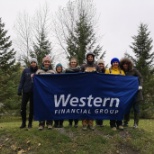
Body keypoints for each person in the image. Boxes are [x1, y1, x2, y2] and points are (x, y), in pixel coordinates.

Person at [120, 58, 143, 128]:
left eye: (126, 64)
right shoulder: (122, 72)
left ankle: (136, 124)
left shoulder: (134, 70)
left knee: (136, 109)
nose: (125, 65)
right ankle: (126, 122)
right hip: (127, 94)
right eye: (124, 64)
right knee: (126, 109)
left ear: (129, 64)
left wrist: (140, 85)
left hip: (136, 93)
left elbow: (140, 77)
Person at [81, 52, 100, 130]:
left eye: (91, 57)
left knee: (92, 106)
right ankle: (84, 123)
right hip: (84, 88)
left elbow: (101, 76)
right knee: (84, 106)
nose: (90, 58)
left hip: (93, 89)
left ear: (93, 58)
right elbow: (79, 75)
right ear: (87, 58)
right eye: (88, 57)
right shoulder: (83, 66)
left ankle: (91, 123)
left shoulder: (97, 66)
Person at [18, 58, 38, 128]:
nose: (33, 63)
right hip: (26, 91)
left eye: (34, 62)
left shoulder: (38, 71)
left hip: (34, 92)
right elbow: (22, 81)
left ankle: (30, 123)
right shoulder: (25, 71)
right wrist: (19, 89)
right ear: (30, 63)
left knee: (31, 109)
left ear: (36, 63)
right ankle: (23, 123)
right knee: (23, 107)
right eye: (32, 62)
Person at [105, 57, 125, 131]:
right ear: (112, 63)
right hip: (111, 92)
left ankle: (119, 123)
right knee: (112, 108)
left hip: (120, 92)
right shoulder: (108, 71)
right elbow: (105, 80)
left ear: (118, 63)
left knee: (119, 108)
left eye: (117, 62)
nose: (115, 63)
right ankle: (112, 124)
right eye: (114, 62)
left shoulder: (121, 72)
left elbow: (124, 82)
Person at [36, 55, 55, 130]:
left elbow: (56, 82)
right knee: (41, 107)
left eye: (48, 62)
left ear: (50, 63)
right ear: (43, 63)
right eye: (45, 62)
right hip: (41, 93)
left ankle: (49, 123)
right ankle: (41, 124)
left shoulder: (53, 72)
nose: (47, 63)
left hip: (50, 93)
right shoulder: (39, 71)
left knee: (50, 107)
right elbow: (35, 82)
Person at [65, 57, 80, 128]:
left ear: (76, 63)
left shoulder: (79, 71)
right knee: (70, 107)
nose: (73, 63)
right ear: (70, 63)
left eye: (74, 62)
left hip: (77, 90)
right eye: (72, 62)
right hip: (69, 90)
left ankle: (76, 123)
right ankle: (70, 123)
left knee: (76, 107)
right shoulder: (66, 71)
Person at [96, 59, 106, 127]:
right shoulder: (95, 72)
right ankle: (97, 122)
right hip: (96, 91)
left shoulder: (106, 71)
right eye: (99, 64)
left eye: (102, 64)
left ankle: (101, 122)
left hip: (104, 91)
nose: (101, 65)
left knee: (102, 107)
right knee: (97, 106)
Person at [54, 63, 64, 128]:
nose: (59, 68)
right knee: (55, 109)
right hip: (55, 94)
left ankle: (61, 123)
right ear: (56, 68)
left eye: (60, 67)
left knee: (62, 110)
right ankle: (56, 123)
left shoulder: (64, 75)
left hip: (63, 95)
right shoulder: (53, 75)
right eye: (58, 67)